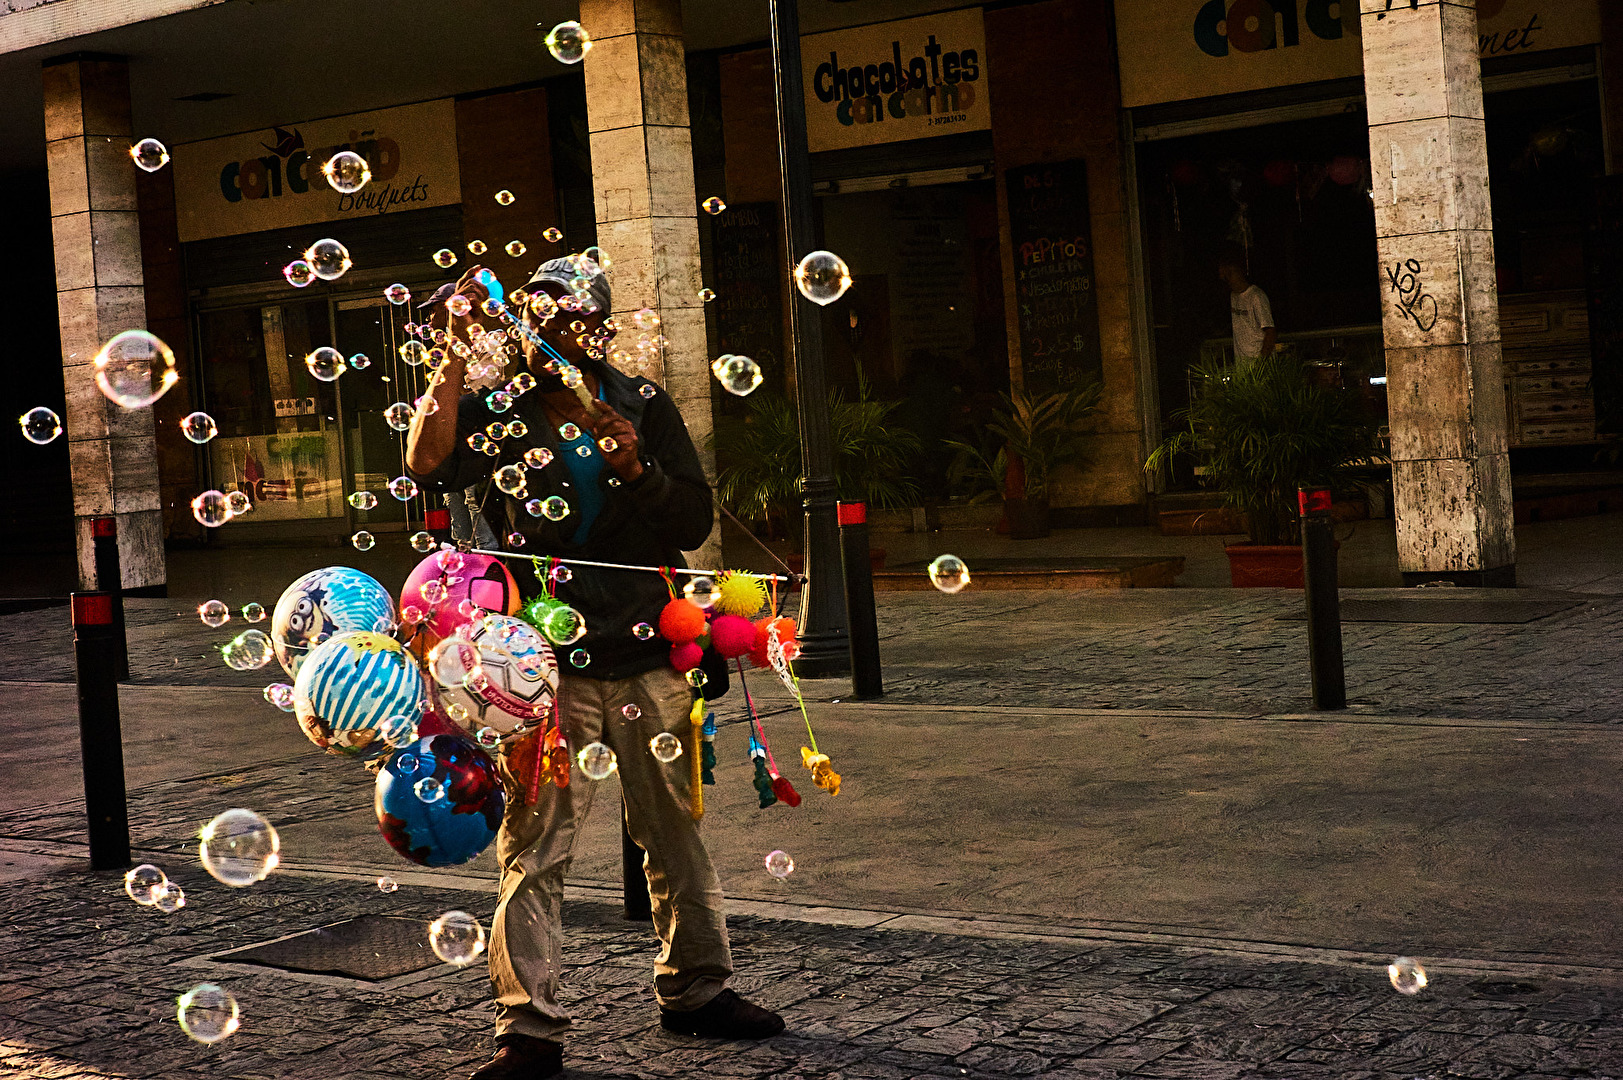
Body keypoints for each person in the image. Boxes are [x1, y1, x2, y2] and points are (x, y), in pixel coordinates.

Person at [405, 258, 785, 1080]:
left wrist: (634, 467)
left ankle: (697, 990)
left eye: (571, 322)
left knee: (674, 834)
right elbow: (426, 464)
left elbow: (688, 522)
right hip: (541, 668)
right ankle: (527, 1029)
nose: (552, 337)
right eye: (537, 322)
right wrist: (449, 359)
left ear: (599, 329)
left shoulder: (641, 406)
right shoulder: (497, 412)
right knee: (535, 847)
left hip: (650, 655)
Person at [1217, 247, 1276, 363]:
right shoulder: (1234, 296)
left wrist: (1261, 363)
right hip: (1243, 364)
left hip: (1258, 364)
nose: (1226, 280)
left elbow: (1270, 332)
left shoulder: (1256, 296)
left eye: (1227, 276)